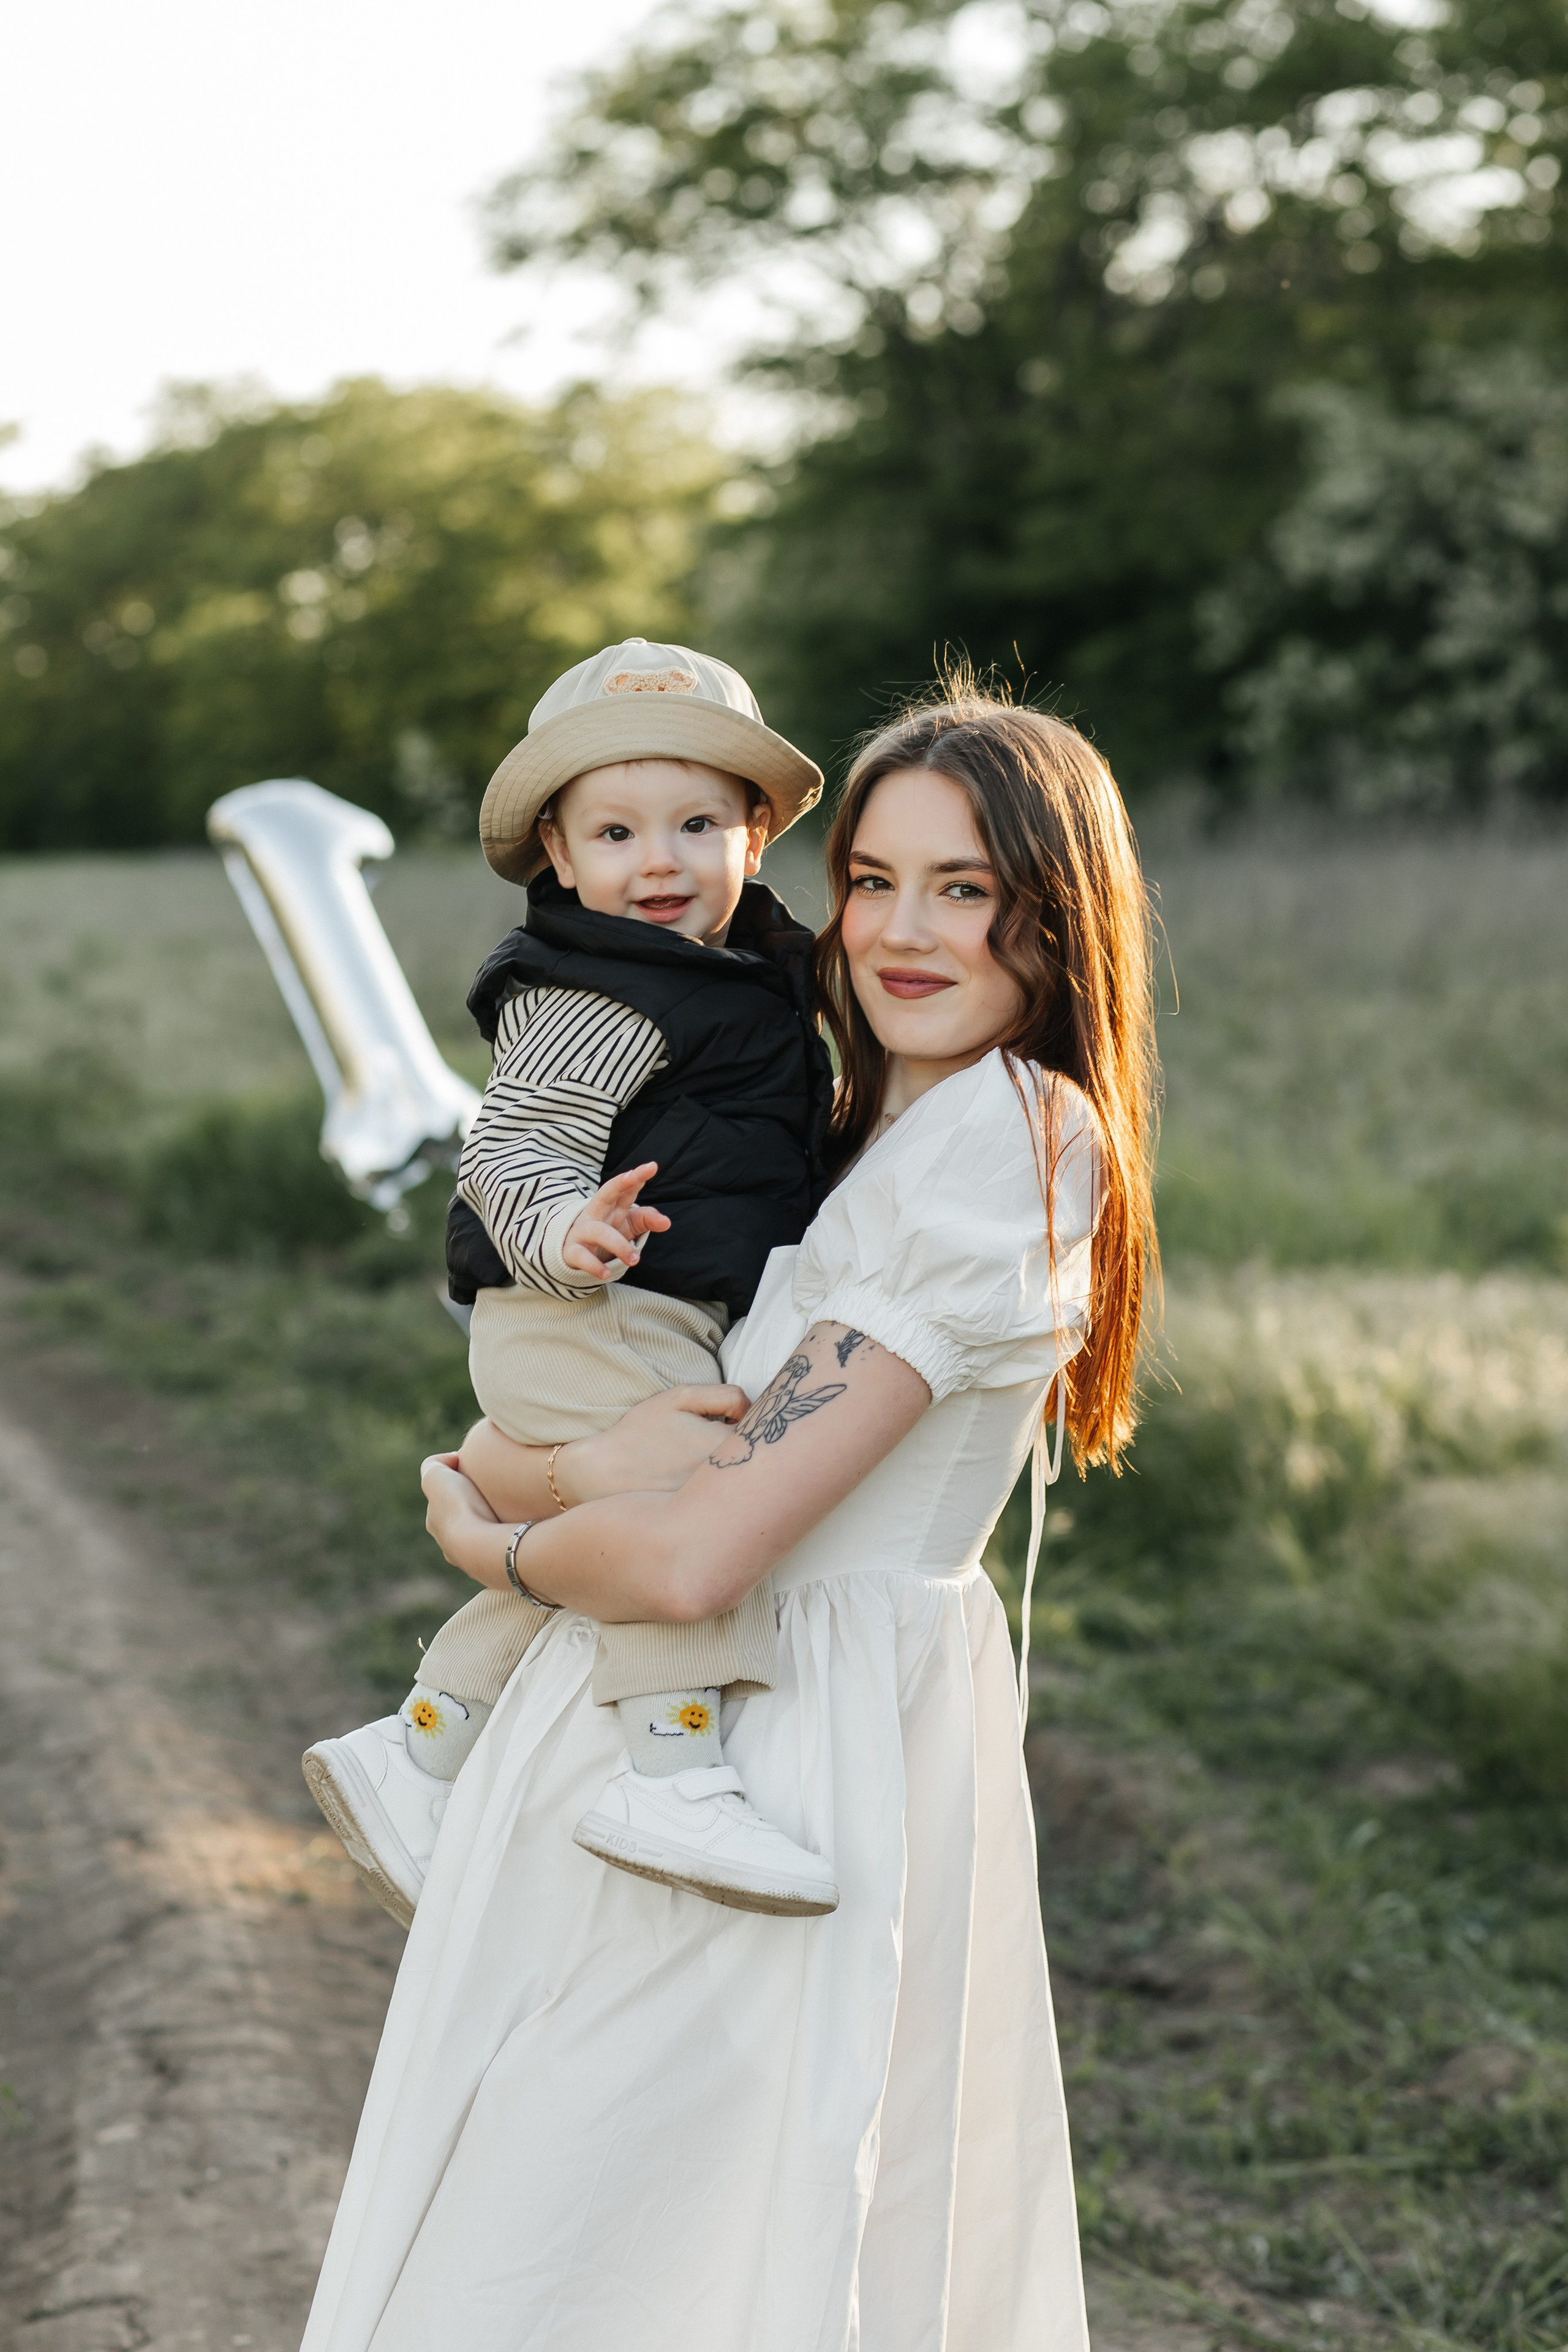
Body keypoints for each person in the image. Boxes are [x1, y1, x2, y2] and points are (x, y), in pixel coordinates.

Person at [300, 688, 1159, 2352]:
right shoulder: (861, 1118)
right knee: (597, 2232)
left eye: (965, 889)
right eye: (876, 879)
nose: (903, 932)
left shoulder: (1007, 1139)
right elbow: (586, 1425)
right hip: (678, 1729)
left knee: (628, 2242)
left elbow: (695, 1548)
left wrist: (493, 1547)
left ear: (1059, 913)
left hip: (780, 1737)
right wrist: (547, 1474)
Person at [303, 638, 839, 1926]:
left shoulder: (745, 973)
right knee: (673, 1502)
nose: (657, 860)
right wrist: (563, 1234)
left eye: (696, 823)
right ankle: (671, 1766)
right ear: (559, 855)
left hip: (632, 1303)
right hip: (582, 1299)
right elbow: (514, 1143)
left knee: (585, 1560)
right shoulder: (596, 987)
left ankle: (421, 1747)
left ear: (752, 839)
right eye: (613, 832)